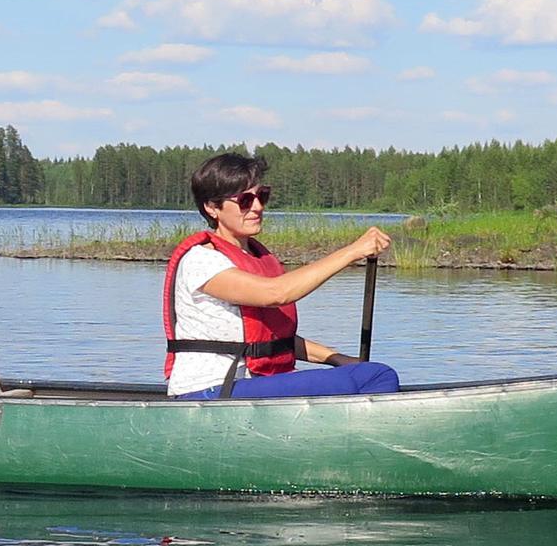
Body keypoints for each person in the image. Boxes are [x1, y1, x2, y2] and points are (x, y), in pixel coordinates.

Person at [164, 152, 399, 399]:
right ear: (212, 208)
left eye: (262, 196)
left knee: (364, 372)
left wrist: (337, 359)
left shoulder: (256, 257)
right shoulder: (201, 261)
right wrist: (353, 251)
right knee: (377, 376)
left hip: (249, 385)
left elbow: (275, 341)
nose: (257, 207)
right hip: (208, 390)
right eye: (245, 200)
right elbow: (277, 293)